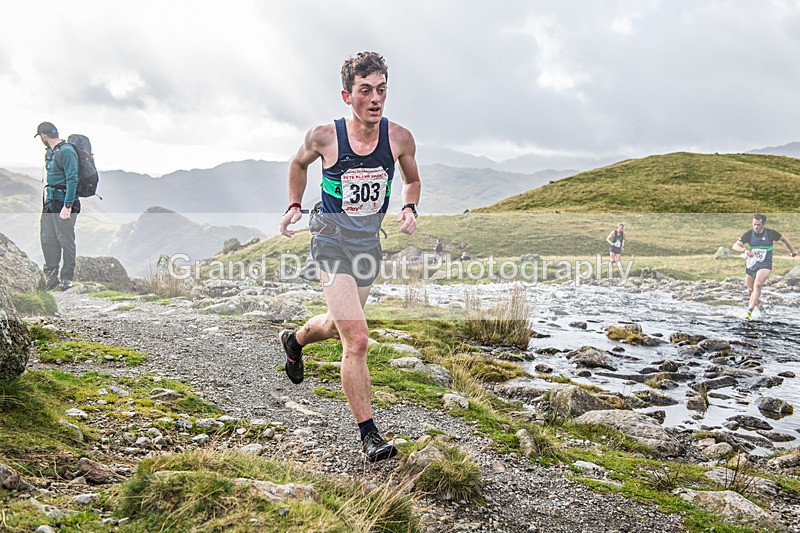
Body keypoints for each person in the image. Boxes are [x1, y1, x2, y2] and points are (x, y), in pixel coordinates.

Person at [277, 52, 421, 462]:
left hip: (367, 244)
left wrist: (409, 207)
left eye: (381, 90)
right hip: (330, 238)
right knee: (357, 339)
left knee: (339, 326)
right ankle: (369, 434)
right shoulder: (325, 136)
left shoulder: (400, 139)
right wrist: (293, 204)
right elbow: (298, 164)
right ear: (347, 95)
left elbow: (412, 179)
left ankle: (295, 339)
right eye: (365, 91)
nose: (375, 99)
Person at [35, 121, 80, 291]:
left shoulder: (66, 151)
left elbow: (72, 178)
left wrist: (67, 205)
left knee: (66, 240)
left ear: (43, 136)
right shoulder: (50, 152)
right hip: (50, 202)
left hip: (64, 203)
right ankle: (51, 277)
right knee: (48, 238)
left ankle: (67, 278)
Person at [732, 213, 797, 319]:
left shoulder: (770, 233)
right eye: (754, 224)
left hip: (765, 264)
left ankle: (749, 311)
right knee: (749, 290)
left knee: (757, 285)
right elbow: (735, 245)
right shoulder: (749, 234)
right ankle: (758, 310)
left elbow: (784, 239)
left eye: (758, 224)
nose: (756, 227)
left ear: (763, 224)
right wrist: (744, 250)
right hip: (751, 264)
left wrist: (792, 251)